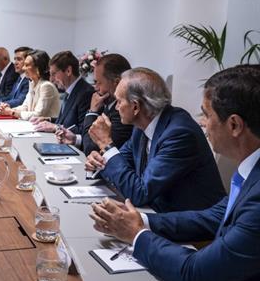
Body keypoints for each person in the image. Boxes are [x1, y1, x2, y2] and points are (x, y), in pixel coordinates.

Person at [90, 65, 260, 281]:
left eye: (206, 115)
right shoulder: (250, 170)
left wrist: (136, 234)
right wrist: (140, 220)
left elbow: (195, 274)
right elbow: (214, 216)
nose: (202, 123)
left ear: (234, 125)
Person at [85, 67, 225, 212]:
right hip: (154, 211)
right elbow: (121, 161)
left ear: (135, 107)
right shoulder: (141, 127)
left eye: (119, 102)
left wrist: (106, 145)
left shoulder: (179, 133)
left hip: (189, 224)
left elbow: (140, 193)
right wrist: (99, 161)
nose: (116, 108)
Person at [56, 54, 133, 155]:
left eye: (98, 82)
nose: (95, 88)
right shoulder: (107, 104)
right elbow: (91, 139)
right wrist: (76, 139)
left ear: (117, 82)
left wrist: (92, 112)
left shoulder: (122, 112)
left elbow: (91, 149)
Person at [32, 50, 94, 134]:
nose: (51, 79)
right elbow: (67, 121)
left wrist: (55, 127)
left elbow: (83, 130)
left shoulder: (86, 93)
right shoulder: (70, 89)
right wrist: (49, 120)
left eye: (54, 74)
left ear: (68, 71)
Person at [0, 50, 60, 120]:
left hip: (45, 129)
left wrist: (11, 112)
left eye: (27, 65)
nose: (23, 68)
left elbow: (38, 115)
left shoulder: (47, 86)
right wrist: (6, 109)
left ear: (38, 68)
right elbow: (25, 107)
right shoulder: (32, 83)